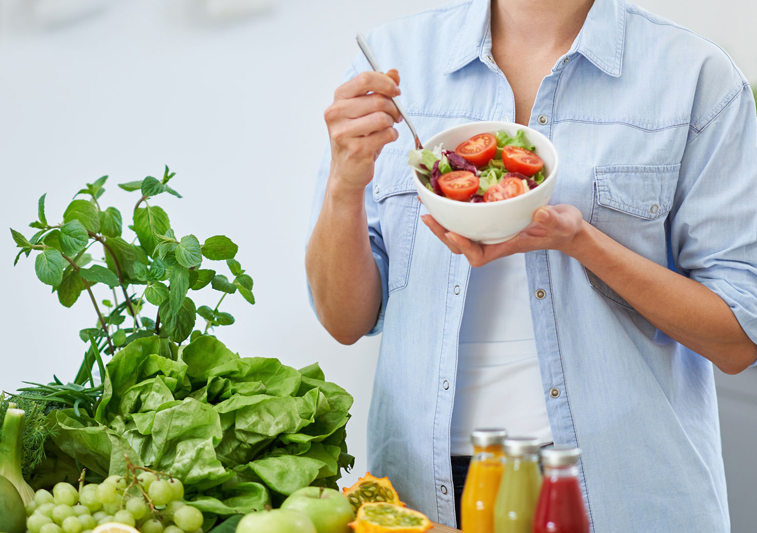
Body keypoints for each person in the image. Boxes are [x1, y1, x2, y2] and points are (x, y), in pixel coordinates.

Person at [305, 0, 757, 530]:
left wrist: (581, 242)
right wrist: (345, 182)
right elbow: (343, 320)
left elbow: (737, 339)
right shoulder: (392, 62)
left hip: (629, 490)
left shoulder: (694, 75)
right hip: (426, 494)